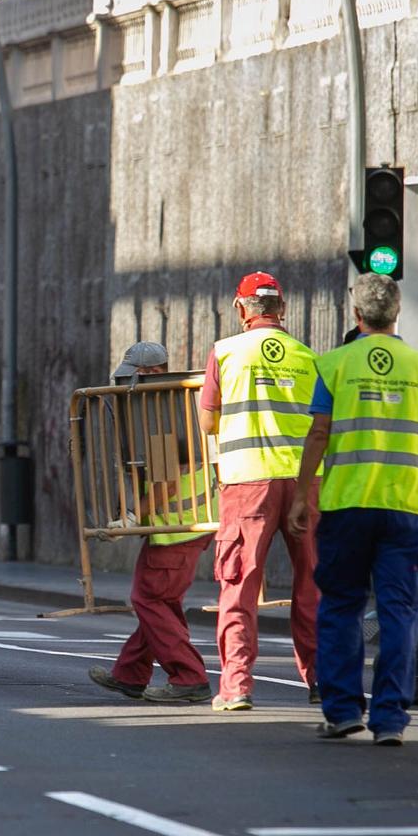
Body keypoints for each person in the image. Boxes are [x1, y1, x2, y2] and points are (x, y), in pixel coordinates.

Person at [287, 273, 418, 746]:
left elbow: (318, 433)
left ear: (356, 315)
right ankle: (390, 719)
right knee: (399, 611)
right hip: (405, 507)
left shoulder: (335, 363)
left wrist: (302, 495)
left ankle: (342, 711)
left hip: (347, 505)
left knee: (341, 606)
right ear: (396, 313)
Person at [198, 271, 322, 711]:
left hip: (249, 481)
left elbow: (208, 421)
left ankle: (236, 687)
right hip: (306, 483)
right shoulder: (308, 357)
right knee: (312, 584)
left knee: (240, 585)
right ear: (282, 309)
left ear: (240, 308)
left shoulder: (226, 352)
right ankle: (321, 681)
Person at [91, 343, 217, 704]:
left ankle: (189, 678)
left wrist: (133, 516)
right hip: (184, 525)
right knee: (161, 602)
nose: (127, 387)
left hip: (176, 527)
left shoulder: (160, 414)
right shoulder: (176, 407)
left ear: (150, 374)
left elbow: (167, 484)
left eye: (133, 377)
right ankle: (129, 675)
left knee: (147, 599)